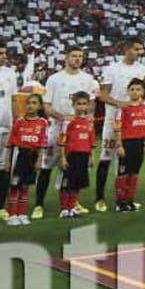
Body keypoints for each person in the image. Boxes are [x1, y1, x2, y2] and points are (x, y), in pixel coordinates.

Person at [32, 44, 98, 219]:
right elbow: (46, 106)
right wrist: (64, 117)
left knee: (74, 167)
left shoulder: (87, 79)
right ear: (66, 57)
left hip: (78, 132)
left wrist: (84, 117)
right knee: (46, 167)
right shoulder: (54, 79)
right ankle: (39, 204)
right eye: (74, 55)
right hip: (56, 129)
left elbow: (91, 103)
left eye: (80, 56)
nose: (77, 59)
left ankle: (73, 203)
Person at [95, 38, 145, 212]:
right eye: (136, 49)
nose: (139, 52)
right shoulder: (112, 69)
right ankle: (100, 198)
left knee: (128, 161)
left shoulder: (142, 70)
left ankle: (124, 199)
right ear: (126, 49)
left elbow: (143, 93)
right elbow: (102, 95)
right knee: (106, 157)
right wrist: (119, 104)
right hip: (113, 120)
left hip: (133, 123)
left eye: (141, 50)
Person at [4, 93, 48, 227]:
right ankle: (12, 215)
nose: (31, 106)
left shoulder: (43, 123)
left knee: (25, 186)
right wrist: (7, 160)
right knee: (14, 186)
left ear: (40, 106)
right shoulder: (19, 122)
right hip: (20, 155)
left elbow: (42, 143)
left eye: (34, 103)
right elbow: (10, 143)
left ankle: (22, 214)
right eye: (28, 103)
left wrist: (40, 160)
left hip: (33, 157)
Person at [115, 78, 145, 212]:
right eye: (132, 89)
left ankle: (130, 200)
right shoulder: (124, 109)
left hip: (139, 143)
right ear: (128, 91)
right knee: (123, 173)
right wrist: (119, 145)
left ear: (143, 92)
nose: (135, 92)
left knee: (135, 173)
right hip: (127, 143)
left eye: (138, 89)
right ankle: (120, 202)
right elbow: (118, 128)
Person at [58, 91, 96, 218]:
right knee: (67, 182)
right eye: (78, 104)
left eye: (84, 104)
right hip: (71, 156)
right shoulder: (69, 121)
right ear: (73, 105)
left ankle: (73, 206)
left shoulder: (89, 122)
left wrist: (91, 157)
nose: (81, 107)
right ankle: (64, 208)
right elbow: (62, 140)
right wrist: (63, 158)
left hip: (83, 156)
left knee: (77, 183)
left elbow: (91, 141)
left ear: (88, 105)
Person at [0, 42, 19, 219]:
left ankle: (1, 206)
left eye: (4, 53)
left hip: (6, 127)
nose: (4, 57)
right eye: (0, 53)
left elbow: (13, 99)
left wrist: (16, 123)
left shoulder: (10, 73)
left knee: (4, 167)